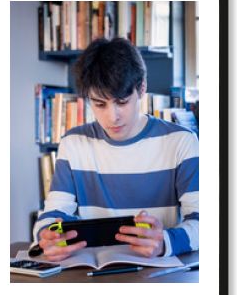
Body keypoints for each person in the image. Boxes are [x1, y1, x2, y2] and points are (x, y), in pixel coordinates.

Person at [29, 37, 199, 262]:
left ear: (142, 89)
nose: (112, 117)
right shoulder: (73, 143)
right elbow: (53, 214)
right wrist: (46, 235)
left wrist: (165, 241)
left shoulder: (181, 141)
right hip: (90, 277)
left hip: (157, 273)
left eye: (122, 102)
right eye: (99, 104)